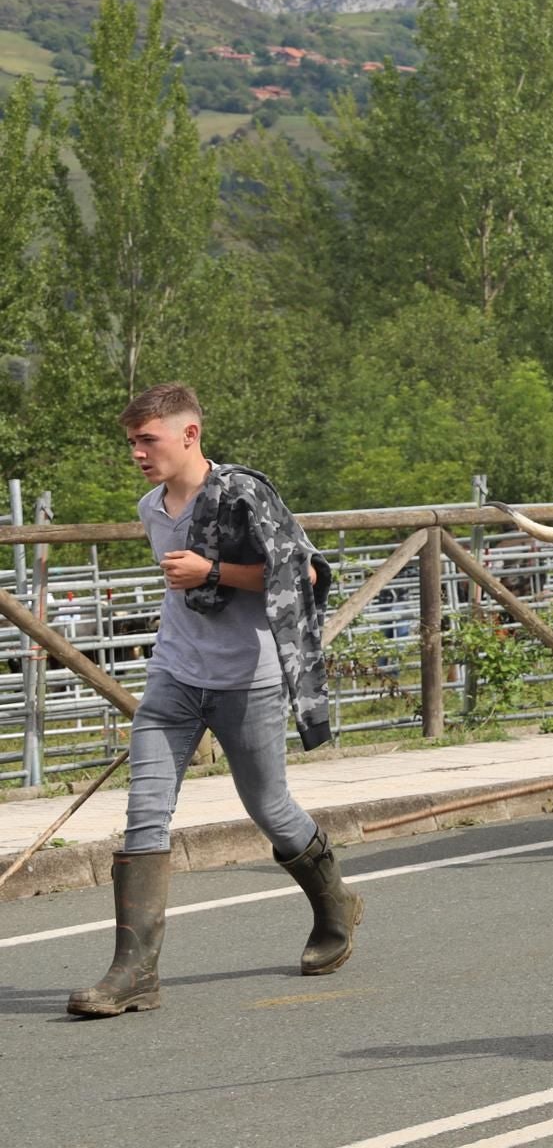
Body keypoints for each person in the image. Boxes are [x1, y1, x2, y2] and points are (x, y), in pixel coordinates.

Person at [70, 385, 356, 1019]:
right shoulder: (151, 506)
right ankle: (134, 973)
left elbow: (305, 575)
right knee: (145, 811)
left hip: (245, 680)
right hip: (174, 676)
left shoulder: (245, 494)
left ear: (189, 434)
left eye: (149, 440)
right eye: (132, 444)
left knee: (269, 808)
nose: (139, 454)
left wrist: (214, 571)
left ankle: (334, 902)